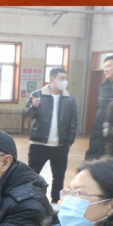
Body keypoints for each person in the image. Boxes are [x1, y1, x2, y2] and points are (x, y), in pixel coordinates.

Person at [24, 67, 78, 208]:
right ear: (52, 79)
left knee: (59, 176)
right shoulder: (37, 95)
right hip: (38, 144)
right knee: (32, 174)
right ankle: (30, 199)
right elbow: (27, 116)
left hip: (60, 145)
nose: (64, 81)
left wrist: (69, 142)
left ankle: (55, 202)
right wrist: (34, 107)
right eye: (61, 78)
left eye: (66, 78)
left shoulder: (69, 99)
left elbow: (73, 122)